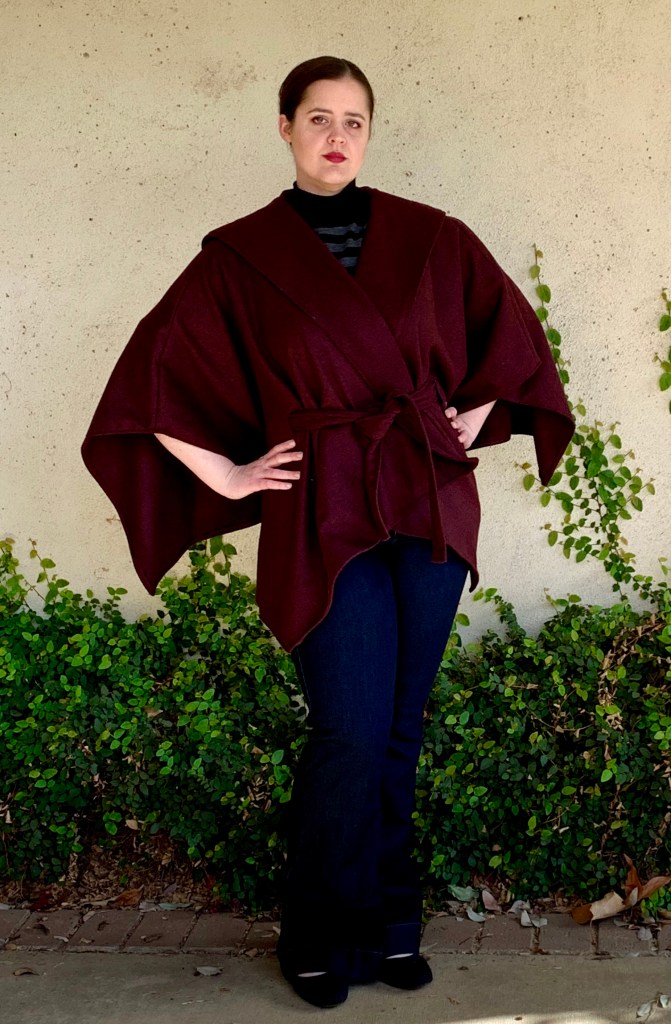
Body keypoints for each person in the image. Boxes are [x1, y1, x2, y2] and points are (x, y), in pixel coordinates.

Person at [82, 56, 574, 1008]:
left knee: (398, 727)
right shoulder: (240, 257)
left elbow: (511, 341)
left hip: (426, 498)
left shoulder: (432, 237)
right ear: (285, 128)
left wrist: (467, 417)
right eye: (317, 118)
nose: (336, 136)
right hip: (323, 511)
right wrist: (227, 473)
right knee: (347, 728)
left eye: (352, 120)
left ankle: (389, 926)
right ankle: (317, 932)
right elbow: (148, 380)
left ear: (369, 132)